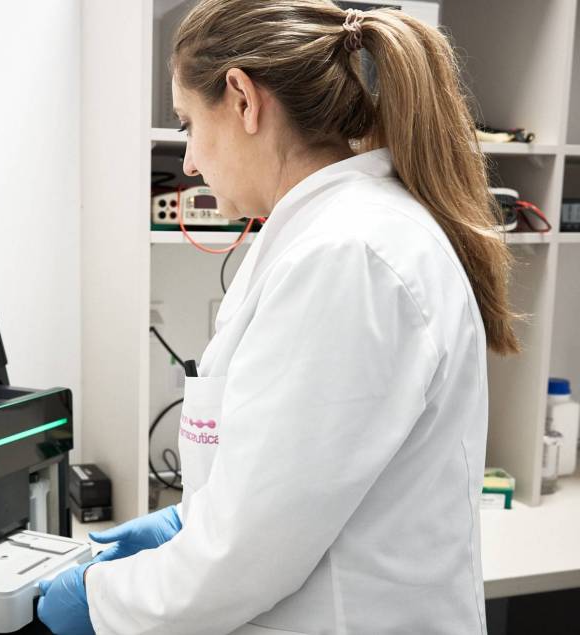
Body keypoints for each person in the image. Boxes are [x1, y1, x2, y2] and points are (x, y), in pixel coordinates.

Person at [38, 1, 519, 632]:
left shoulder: (348, 255)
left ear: (242, 99)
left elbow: (245, 559)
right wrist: (190, 521)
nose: (189, 162)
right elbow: (291, 484)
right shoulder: (334, 236)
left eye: (188, 124)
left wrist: (100, 600)